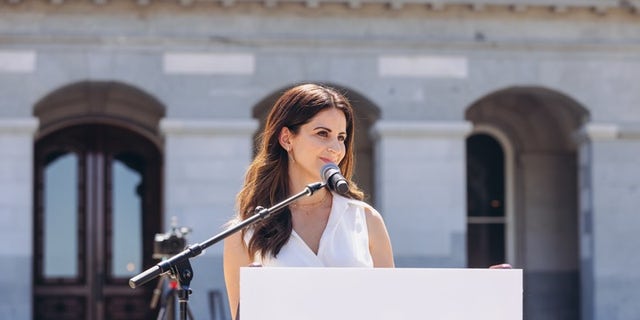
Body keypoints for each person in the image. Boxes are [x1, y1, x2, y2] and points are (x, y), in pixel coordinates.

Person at [223, 83, 394, 320]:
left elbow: (391, 308)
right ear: (286, 138)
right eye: (322, 133)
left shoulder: (366, 220)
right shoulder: (244, 232)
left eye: (341, 137)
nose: (335, 148)